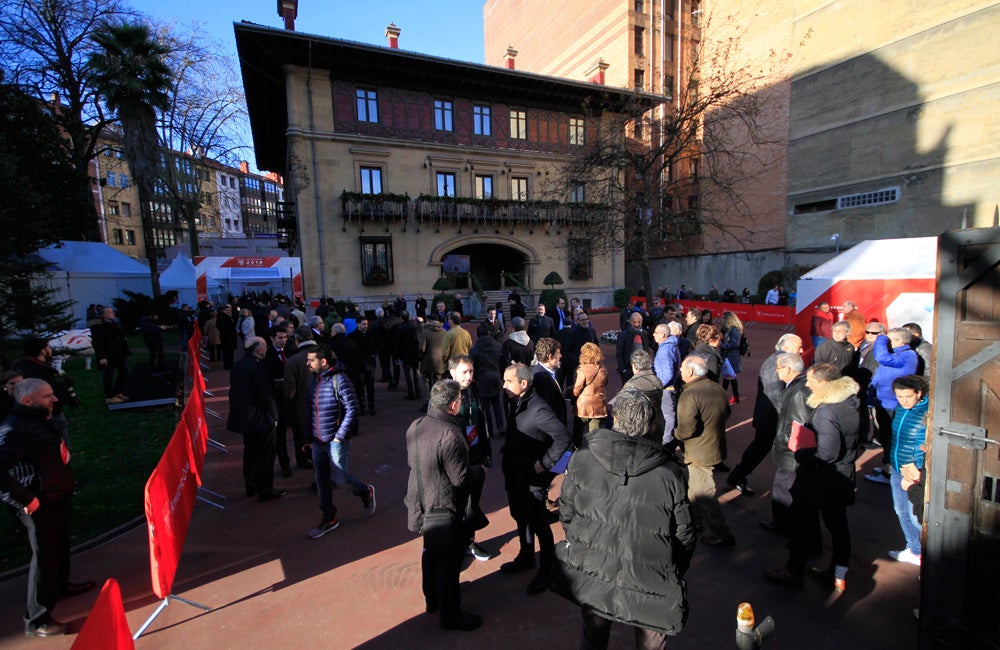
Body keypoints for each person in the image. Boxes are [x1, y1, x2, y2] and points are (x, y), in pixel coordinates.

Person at [552, 388, 696, 650]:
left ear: (615, 419)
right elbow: (684, 535)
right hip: (650, 576)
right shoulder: (670, 473)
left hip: (594, 565)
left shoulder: (583, 458)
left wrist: (583, 543)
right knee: (651, 638)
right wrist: (670, 568)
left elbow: (567, 511)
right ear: (651, 424)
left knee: (593, 637)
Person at [0, 379, 95, 637]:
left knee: (59, 546)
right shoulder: (14, 429)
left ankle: (59, 586)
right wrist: (26, 500)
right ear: (27, 400)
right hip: (38, 503)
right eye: (47, 396)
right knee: (43, 557)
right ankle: (37, 619)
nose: (54, 399)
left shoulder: (40, 419)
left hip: (56, 496)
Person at [765, 363, 861, 592]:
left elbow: (826, 453)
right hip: (841, 476)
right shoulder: (852, 402)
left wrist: (801, 452)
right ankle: (839, 574)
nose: (807, 385)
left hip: (820, 479)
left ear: (825, 384)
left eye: (811, 381)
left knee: (801, 525)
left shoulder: (827, 411)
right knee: (838, 528)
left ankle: (793, 572)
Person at [404, 379, 481, 631]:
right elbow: (459, 478)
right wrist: (478, 472)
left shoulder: (416, 425)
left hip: (422, 500)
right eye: (459, 398)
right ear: (452, 404)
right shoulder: (450, 434)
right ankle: (451, 616)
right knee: (448, 565)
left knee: (430, 554)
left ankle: (432, 600)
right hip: (444, 506)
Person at [499, 363, 572, 595]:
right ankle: (526, 555)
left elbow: (563, 437)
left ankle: (547, 569)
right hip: (515, 474)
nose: (504, 386)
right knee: (521, 516)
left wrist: (545, 464)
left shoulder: (539, 410)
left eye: (508, 381)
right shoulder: (516, 402)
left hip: (531, 477)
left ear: (523, 384)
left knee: (539, 523)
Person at [305, 345, 376, 539]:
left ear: (323, 361)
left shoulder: (340, 379)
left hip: (335, 440)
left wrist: (339, 435)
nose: (307, 363)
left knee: (340, 479)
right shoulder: (314, 381)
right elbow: (311, 410)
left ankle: (365, 492)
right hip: (317, 440)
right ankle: (329, 517)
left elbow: (353, 408)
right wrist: (309, 436)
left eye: (311, 360)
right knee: (321, 481)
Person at [726, 334, 803, 496]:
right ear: (787, 347)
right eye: (798, 347)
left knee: (760, 449)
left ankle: (737, 476)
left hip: (772, 417)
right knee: (760, 449)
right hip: (770, 418)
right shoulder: (775, 364)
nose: (801, 350)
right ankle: (737, 476)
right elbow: (775, 395)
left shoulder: (780, 360)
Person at [675, 355, 735, 547]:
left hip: (699, 451)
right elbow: (727, 412)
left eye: (682, 368)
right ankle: (694, 521)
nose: (680, 371)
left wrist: (676, 435)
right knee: (694, 489)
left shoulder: (689, 394)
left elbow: (686, 429)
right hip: (714, 445)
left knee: (703, 493)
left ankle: (722, 533)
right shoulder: (716, 388)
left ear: (690, 371)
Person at [227, 337, 286, 502]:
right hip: (261, 417)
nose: (267, 349)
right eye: (265, 346)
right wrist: (274, 415)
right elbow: (266, 394)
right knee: (266, 454)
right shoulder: (259, 368)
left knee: (250, 452)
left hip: (245, 417)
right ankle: (266, 489)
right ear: (258, 349)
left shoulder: (239, 365)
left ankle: (251, 485)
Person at [448, 356, 493, 562]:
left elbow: (483, 422)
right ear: (452, 373)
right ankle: (457, 543)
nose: (469, 376)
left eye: (471, 371)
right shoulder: (446, 394)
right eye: (464, 372)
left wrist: (486, 454)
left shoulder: (474, 391)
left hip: (476, 456)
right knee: (457, 503)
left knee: (472, 502)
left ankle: (469, 540)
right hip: (456, 460)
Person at [763, 353, 814, 535]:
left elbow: (799, 426)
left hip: (791, 453)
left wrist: (784, 441)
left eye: (778, 368)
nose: (776, 372)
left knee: (783, 488)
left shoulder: (798, 392)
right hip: (793, 452)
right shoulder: (798, 386)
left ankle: (784, 525)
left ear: (787, 369)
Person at [885, 375, 928, 566]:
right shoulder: (900, 409)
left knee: (916, 515)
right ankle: (914, 549)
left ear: (919, 393)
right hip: (897, 467)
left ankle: (928, 552)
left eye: (908, 396)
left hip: (914, 472)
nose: (904, 401)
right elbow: (894, 438)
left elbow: (924, 445)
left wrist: (918, 471)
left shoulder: (927, 412)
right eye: (899, 397)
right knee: (900, 510)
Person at [867, 328, 918, 480]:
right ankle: (887, 466)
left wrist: (881, 339)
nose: (885, 343)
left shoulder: (908, 355)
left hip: (891, 404)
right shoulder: (901, 355)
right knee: (886, 436)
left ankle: (889, 473)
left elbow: (881, 357)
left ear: (899, 341)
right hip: (884, 402)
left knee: (890, 438)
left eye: (889, 340)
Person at [284, 326, 317, 470]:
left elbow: (289, 389)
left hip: (303, 406)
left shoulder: (293, 361)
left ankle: (305, 459)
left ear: (297, 340)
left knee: (302, 436)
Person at [264, 325, 293, 477]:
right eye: (280, 338)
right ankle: (284, 464)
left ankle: (303, 458)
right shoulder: (267, 356)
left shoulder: (290, 351)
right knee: (280, 436)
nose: (283, 341)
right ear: (272, 339)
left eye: (285, 337)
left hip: (292, 400)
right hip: (278, 402)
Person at [91, 306, 131, 404]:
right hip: (108, 355)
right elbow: (97, 343)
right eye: (109, 312)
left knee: (124, 372)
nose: (112, 313)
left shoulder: (114, 324)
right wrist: (101, 357)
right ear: (103, 315)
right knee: (108, 375)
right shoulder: (98, 327)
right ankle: (109, 396)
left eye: (112, 311)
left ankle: (118, 391)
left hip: (119, 353)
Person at [469, 324, 504, 436]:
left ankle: (489, 429)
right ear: (489, 333)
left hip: (482, 379)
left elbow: (472, 366)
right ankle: (501, 426)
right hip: (495, 377)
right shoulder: (498, 346)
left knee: (485, 406)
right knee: (497, 403)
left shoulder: (474, 350)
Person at [652, 322, 682, 444]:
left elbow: (668, 373)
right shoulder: (669, 346)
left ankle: (667, 441)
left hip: (666, 389)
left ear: (663, 335)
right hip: (669, 387)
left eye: (656, 333)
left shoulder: (665, 350)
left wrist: (658, 386)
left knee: (668, 416)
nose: (653, 335)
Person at [572, 342, 608, 433]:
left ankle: (577, 447)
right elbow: (605, 383)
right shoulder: (602, 369)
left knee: (578, 432)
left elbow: (576, 390)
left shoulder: (581, 369)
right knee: (594, 434)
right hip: (598, 406)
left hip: (583, 406)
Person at [348, 317, 378, 415]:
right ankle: (361, 406)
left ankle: (371, 406)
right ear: (358, 324)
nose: (366, 326)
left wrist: (373, 355)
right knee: (359, 388)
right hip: (358, 366)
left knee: (370, 388)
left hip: (369, 364)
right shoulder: (352, 336)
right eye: (364, 324)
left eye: (367, 324)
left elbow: (374, 347)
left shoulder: (371, 334)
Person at [616, 311, 652, 383]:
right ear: (630, 322)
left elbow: (646, 349)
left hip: (643, 367)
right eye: (634, 322)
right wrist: (623, 369)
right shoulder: (623, 335)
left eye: (639, 322)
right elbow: (619, 353)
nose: (637, 324)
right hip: (628, 368)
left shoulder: (644, 333)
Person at [393, 312, 423, 400]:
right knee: (416, 373)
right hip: (415, 353)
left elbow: (397, 343)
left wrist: (396, 355)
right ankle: (417, 391)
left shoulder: (400, 328)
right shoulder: (415, 326)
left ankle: (411, 392)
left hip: (405, 354)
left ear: (401, 318)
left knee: (407, 374)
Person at [719, 311, 744, 404]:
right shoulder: (725, 329)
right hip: (727, 355)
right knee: (729, 376)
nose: (721, 320)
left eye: (723, 318)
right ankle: (735, 395)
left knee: (729, 376)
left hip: (732, 356)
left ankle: (724, 395)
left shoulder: (734, 330)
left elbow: (735, 343)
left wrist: (723, 346)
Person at [216, 304, 238, 369]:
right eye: (228, 310)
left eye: (230, 310)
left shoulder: (229, 316)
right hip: (226, 336)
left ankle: (230, 362)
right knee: (227, 351)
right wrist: (226, 330)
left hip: (229, 336)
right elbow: (219, 326)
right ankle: (227, 364)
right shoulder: (222, 317)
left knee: (230, 351)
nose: (229, 311)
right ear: (225, 310)